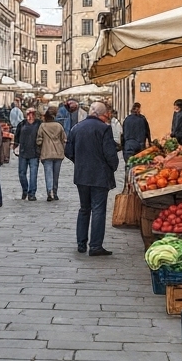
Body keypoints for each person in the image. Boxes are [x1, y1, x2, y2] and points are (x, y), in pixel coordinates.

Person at [65, 101, 119, 256]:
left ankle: (81, 243)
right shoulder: (104, 129)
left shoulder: (76, 128)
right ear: (101, 114)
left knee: (84, 208)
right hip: (100, 175)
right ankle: (95, 246)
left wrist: (79, 162)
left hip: (82, 175)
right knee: (98, 210)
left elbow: (68, 151)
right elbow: (110, 154)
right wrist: (112, 167)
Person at [37, 108, 67, 201]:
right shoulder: (59, 126)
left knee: (48, 174)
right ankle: (55, 192)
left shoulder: (42, 126)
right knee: (56, 175)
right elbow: (64, 139)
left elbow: (39, 141)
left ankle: (49, 191)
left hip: (46, 152)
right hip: (58, 153)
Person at [13, 108, 41, 201]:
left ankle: (31, 193)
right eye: (28, 113)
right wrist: (15, 146)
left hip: (34, 153)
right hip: (23, 152)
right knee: (21, 173)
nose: (30, 115)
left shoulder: (39, 124)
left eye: (32, 113)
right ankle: (25, 190)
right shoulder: (22, 124)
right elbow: (16, 137)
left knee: (33, 174)